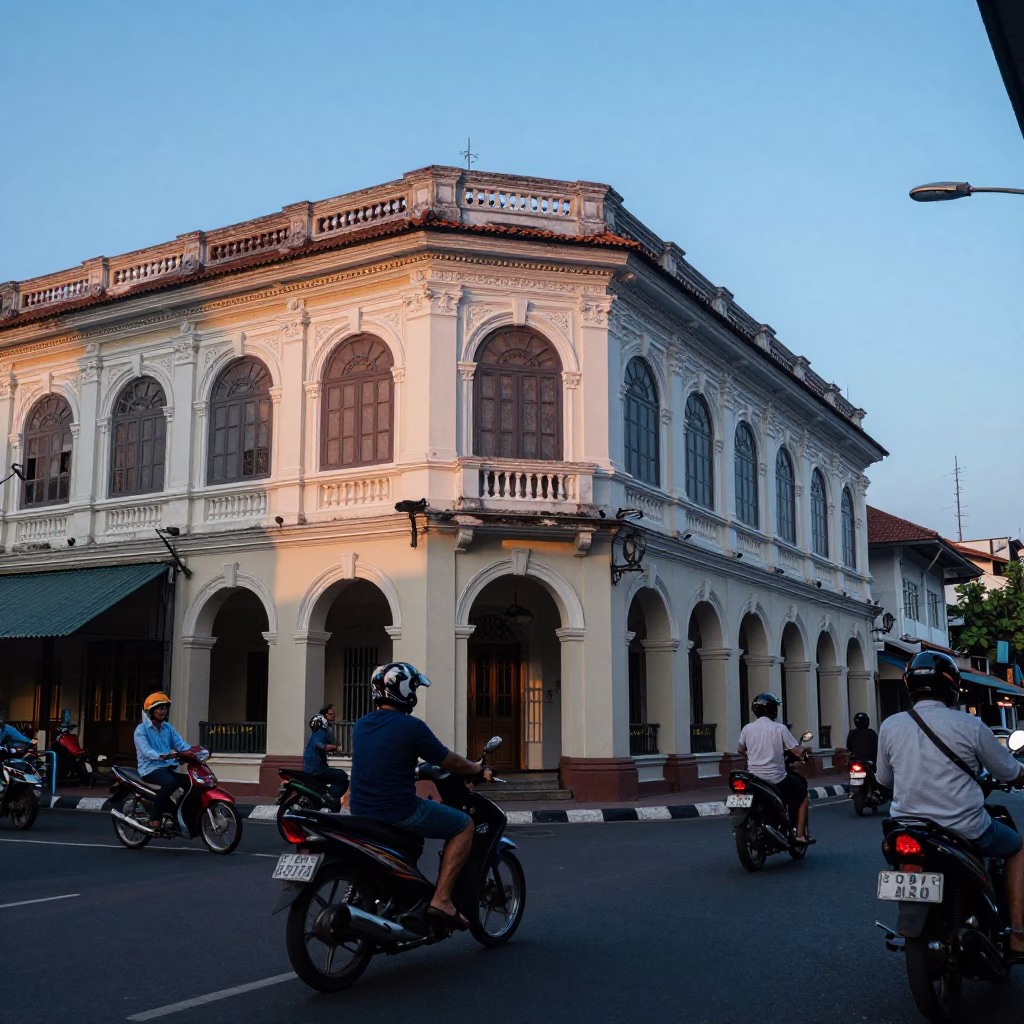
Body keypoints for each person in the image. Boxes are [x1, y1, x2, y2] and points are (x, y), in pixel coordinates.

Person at [877, 651, 1024, 954]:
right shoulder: (969, 725)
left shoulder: (891, 726)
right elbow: (1008, 771)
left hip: (907, 828)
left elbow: (885, 780)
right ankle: (1018, 935)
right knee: (1017, 848)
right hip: (965, 828)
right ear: (951, 686)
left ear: (909, 685)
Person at [348, 662, 490, 930]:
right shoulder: (412, 727)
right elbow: (448, 761)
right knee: (463, 825)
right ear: (405, 691)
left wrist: (409, 771)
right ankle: (442, 901)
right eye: (413, 687)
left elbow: (381, 758)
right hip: (398, 810)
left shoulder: (362, 725)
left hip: (362, 811)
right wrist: (475, 768)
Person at [737, 692, 813, 843]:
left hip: (754, 778)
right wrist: (804, 753)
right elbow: (797, 751)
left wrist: (753, 757)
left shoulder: (747, 728)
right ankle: (799, 835)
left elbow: (740, 750)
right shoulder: (779, 728)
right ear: (772, 709)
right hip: (776, 778)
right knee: (802, 794)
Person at [134, 692, 191, 831]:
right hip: (150, 768)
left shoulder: (168, 728)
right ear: (151, 711)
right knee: (170, 782)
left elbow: (181, 744)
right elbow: (145, 751)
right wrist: (162, 756)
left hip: (167, 767)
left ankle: (179, 812)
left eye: (165, 707)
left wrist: (192, 752)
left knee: (190, 782)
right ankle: (155, 818)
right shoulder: (141, 730)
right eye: (159, 708)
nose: (163, 710)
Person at [303, 704, 349, 803]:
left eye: (333, 714)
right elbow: (321, 746)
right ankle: (331, 799)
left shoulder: (324, 731)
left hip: (318, 767)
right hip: (316, 769)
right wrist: (335, 747)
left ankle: (325, 796)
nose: (333, 716)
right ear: (324, 717)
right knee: (342, 776)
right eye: (330, 714)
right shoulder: (319, 731)